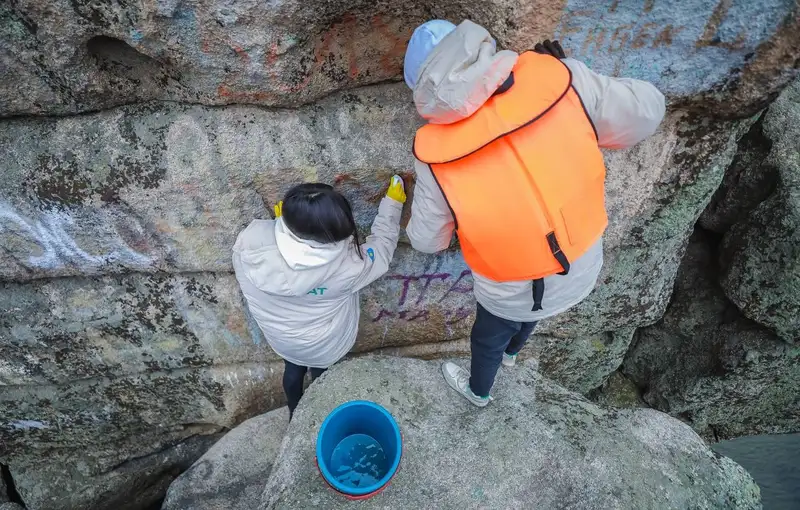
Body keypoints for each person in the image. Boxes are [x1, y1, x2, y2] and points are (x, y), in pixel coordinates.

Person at [404, 20, 665, 406]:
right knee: (531, 315)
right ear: (480, 45)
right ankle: (514, 356)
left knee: (487, 338)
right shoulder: (560, 78)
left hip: (505, 287)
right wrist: (572, 84)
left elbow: (427, 240)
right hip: (581, 266)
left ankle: (478, 392)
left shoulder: (433, 155)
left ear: (422, 88)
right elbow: (649, 110)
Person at [232, 176, 406, 416]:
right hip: (325, 344)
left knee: (293, 370)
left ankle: (294, 414)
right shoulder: (351, 265)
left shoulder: (250, 243)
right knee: (321, 375)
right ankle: (316, 417)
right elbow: (382, 249)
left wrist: (282, 227)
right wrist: (393, 205)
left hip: (284, 339)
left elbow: (261, 275)